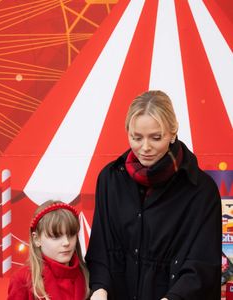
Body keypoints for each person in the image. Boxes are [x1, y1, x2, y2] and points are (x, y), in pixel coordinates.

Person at [85, 90, 222, 300]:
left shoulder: (202, 191)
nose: (145, 147)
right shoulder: (110, 179)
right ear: (127, 132)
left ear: (173, 132)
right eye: (136, 138)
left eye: (156, 138)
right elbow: (101, 248)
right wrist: (99, 289)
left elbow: (202, 265)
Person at [8, 200, 89, 300]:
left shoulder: (88, 274)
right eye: (56, 236)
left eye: (71, 234)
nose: (66, 242)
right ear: (37, 239)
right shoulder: (22, 279)